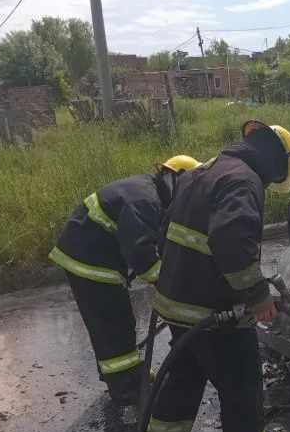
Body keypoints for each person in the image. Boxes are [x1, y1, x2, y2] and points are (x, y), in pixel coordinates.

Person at [142, 121, 290, 432]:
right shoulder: (244, 181)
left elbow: (166, 230)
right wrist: (257, 295)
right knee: (241, 384)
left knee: (183, 379)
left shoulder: (203, 172)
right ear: (278, 163)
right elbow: (232, 243)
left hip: (177, 303)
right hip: (210, 311)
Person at [49, 156, 202, 406]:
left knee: (110, 323)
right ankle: (128, 389)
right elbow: (141, 253)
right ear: (177, 177)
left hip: (91, 253)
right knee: (113, 322)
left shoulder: (151, 193)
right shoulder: (146, 200)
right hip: (90, 260)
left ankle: (123, 376)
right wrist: (170, 284)